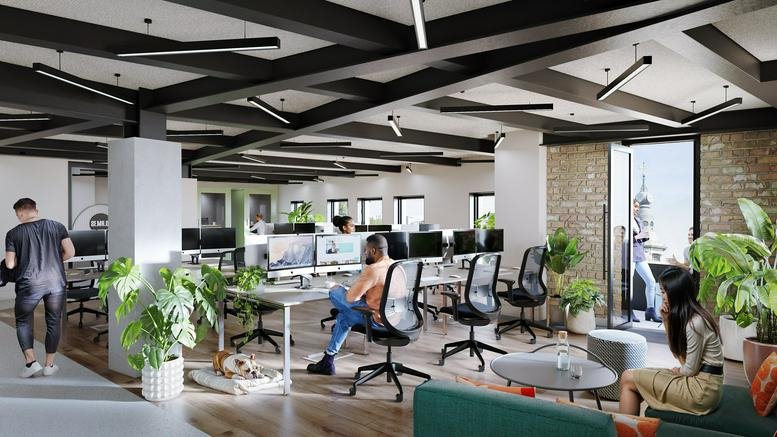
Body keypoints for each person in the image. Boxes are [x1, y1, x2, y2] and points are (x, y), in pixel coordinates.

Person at [619, 267, 724, 416]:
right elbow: (679, 356)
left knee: (628, 378)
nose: (662, 296)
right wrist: (666, 320)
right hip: (702, 383)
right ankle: (630, 429)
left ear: (676, 292)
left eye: (663, 291)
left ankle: (628, 430)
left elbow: (689, 370)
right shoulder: (693, 317)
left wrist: (679, 371)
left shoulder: (695, 323)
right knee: (630, 376)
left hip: (701, 391)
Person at [5, 198, 75, 378]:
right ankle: (49, 365)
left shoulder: (13, 233)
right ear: (36, 210)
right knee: (53, 321)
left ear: (20, 212)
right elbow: (70, 252)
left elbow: (10, 264)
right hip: (55, 283)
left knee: (23, 321)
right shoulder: (57, 226)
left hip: (29, 284)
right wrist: (53, 261)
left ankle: (31, 363)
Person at [307, 234, 392, 375]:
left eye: (366, 250)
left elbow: (351, 298)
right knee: (344, 317)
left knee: (335, 293)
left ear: (373, 251)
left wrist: (336, 287)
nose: (364, 253)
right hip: (394, 320)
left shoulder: (373, 269)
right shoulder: (397, 266)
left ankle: (327, 363)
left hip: (376, 320)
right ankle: (328, 360)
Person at [632, 200, 661, 322]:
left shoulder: (638, 221)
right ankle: (628, 310)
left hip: (640, 254)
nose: (637, 209)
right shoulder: (625, 219)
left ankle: (650, 311)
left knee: (651, 281)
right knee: (629, 283)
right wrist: (639, 236)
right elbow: (625, 238)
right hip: (629, 255)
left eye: (638, 207)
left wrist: (641, 235)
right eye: (635, 206)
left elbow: (641, 237)